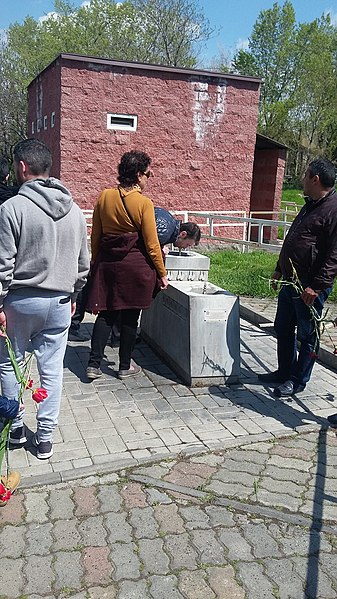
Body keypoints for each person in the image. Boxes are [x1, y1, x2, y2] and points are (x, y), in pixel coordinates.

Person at [0, 138, 90, 459]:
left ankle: (16, 431)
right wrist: (75, 294)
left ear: (22, 167)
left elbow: (3, 265)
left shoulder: (11, 209)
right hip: (61, 303)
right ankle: (46, 439)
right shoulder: (75, 211)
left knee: (10, 365)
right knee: (52, 370)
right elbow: (84, 264)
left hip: (20, 303)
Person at [258, 157, 337, 398]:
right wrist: (279, 268)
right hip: (291, 280)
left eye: (305, 175)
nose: (301, 179)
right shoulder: (310, 204)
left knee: (307, 335)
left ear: (315, 179)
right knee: (283, 327)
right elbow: (293, 238)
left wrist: (317, 286)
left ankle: (297, 379)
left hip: (310, 285)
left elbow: (335, 255)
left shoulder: (333, 210)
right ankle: (284, 371)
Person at [86, 150, 168, 380]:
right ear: (139, 174)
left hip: (108, 264)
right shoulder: (144, 203)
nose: (148, 178)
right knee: (131, 317)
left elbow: (96, 235)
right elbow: (152, 244)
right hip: (134, 267)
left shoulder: (104, 197)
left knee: (105, 314)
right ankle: (124, 366)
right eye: (148, 174)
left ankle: (93, 364)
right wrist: (162, 273)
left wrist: (95, 261)